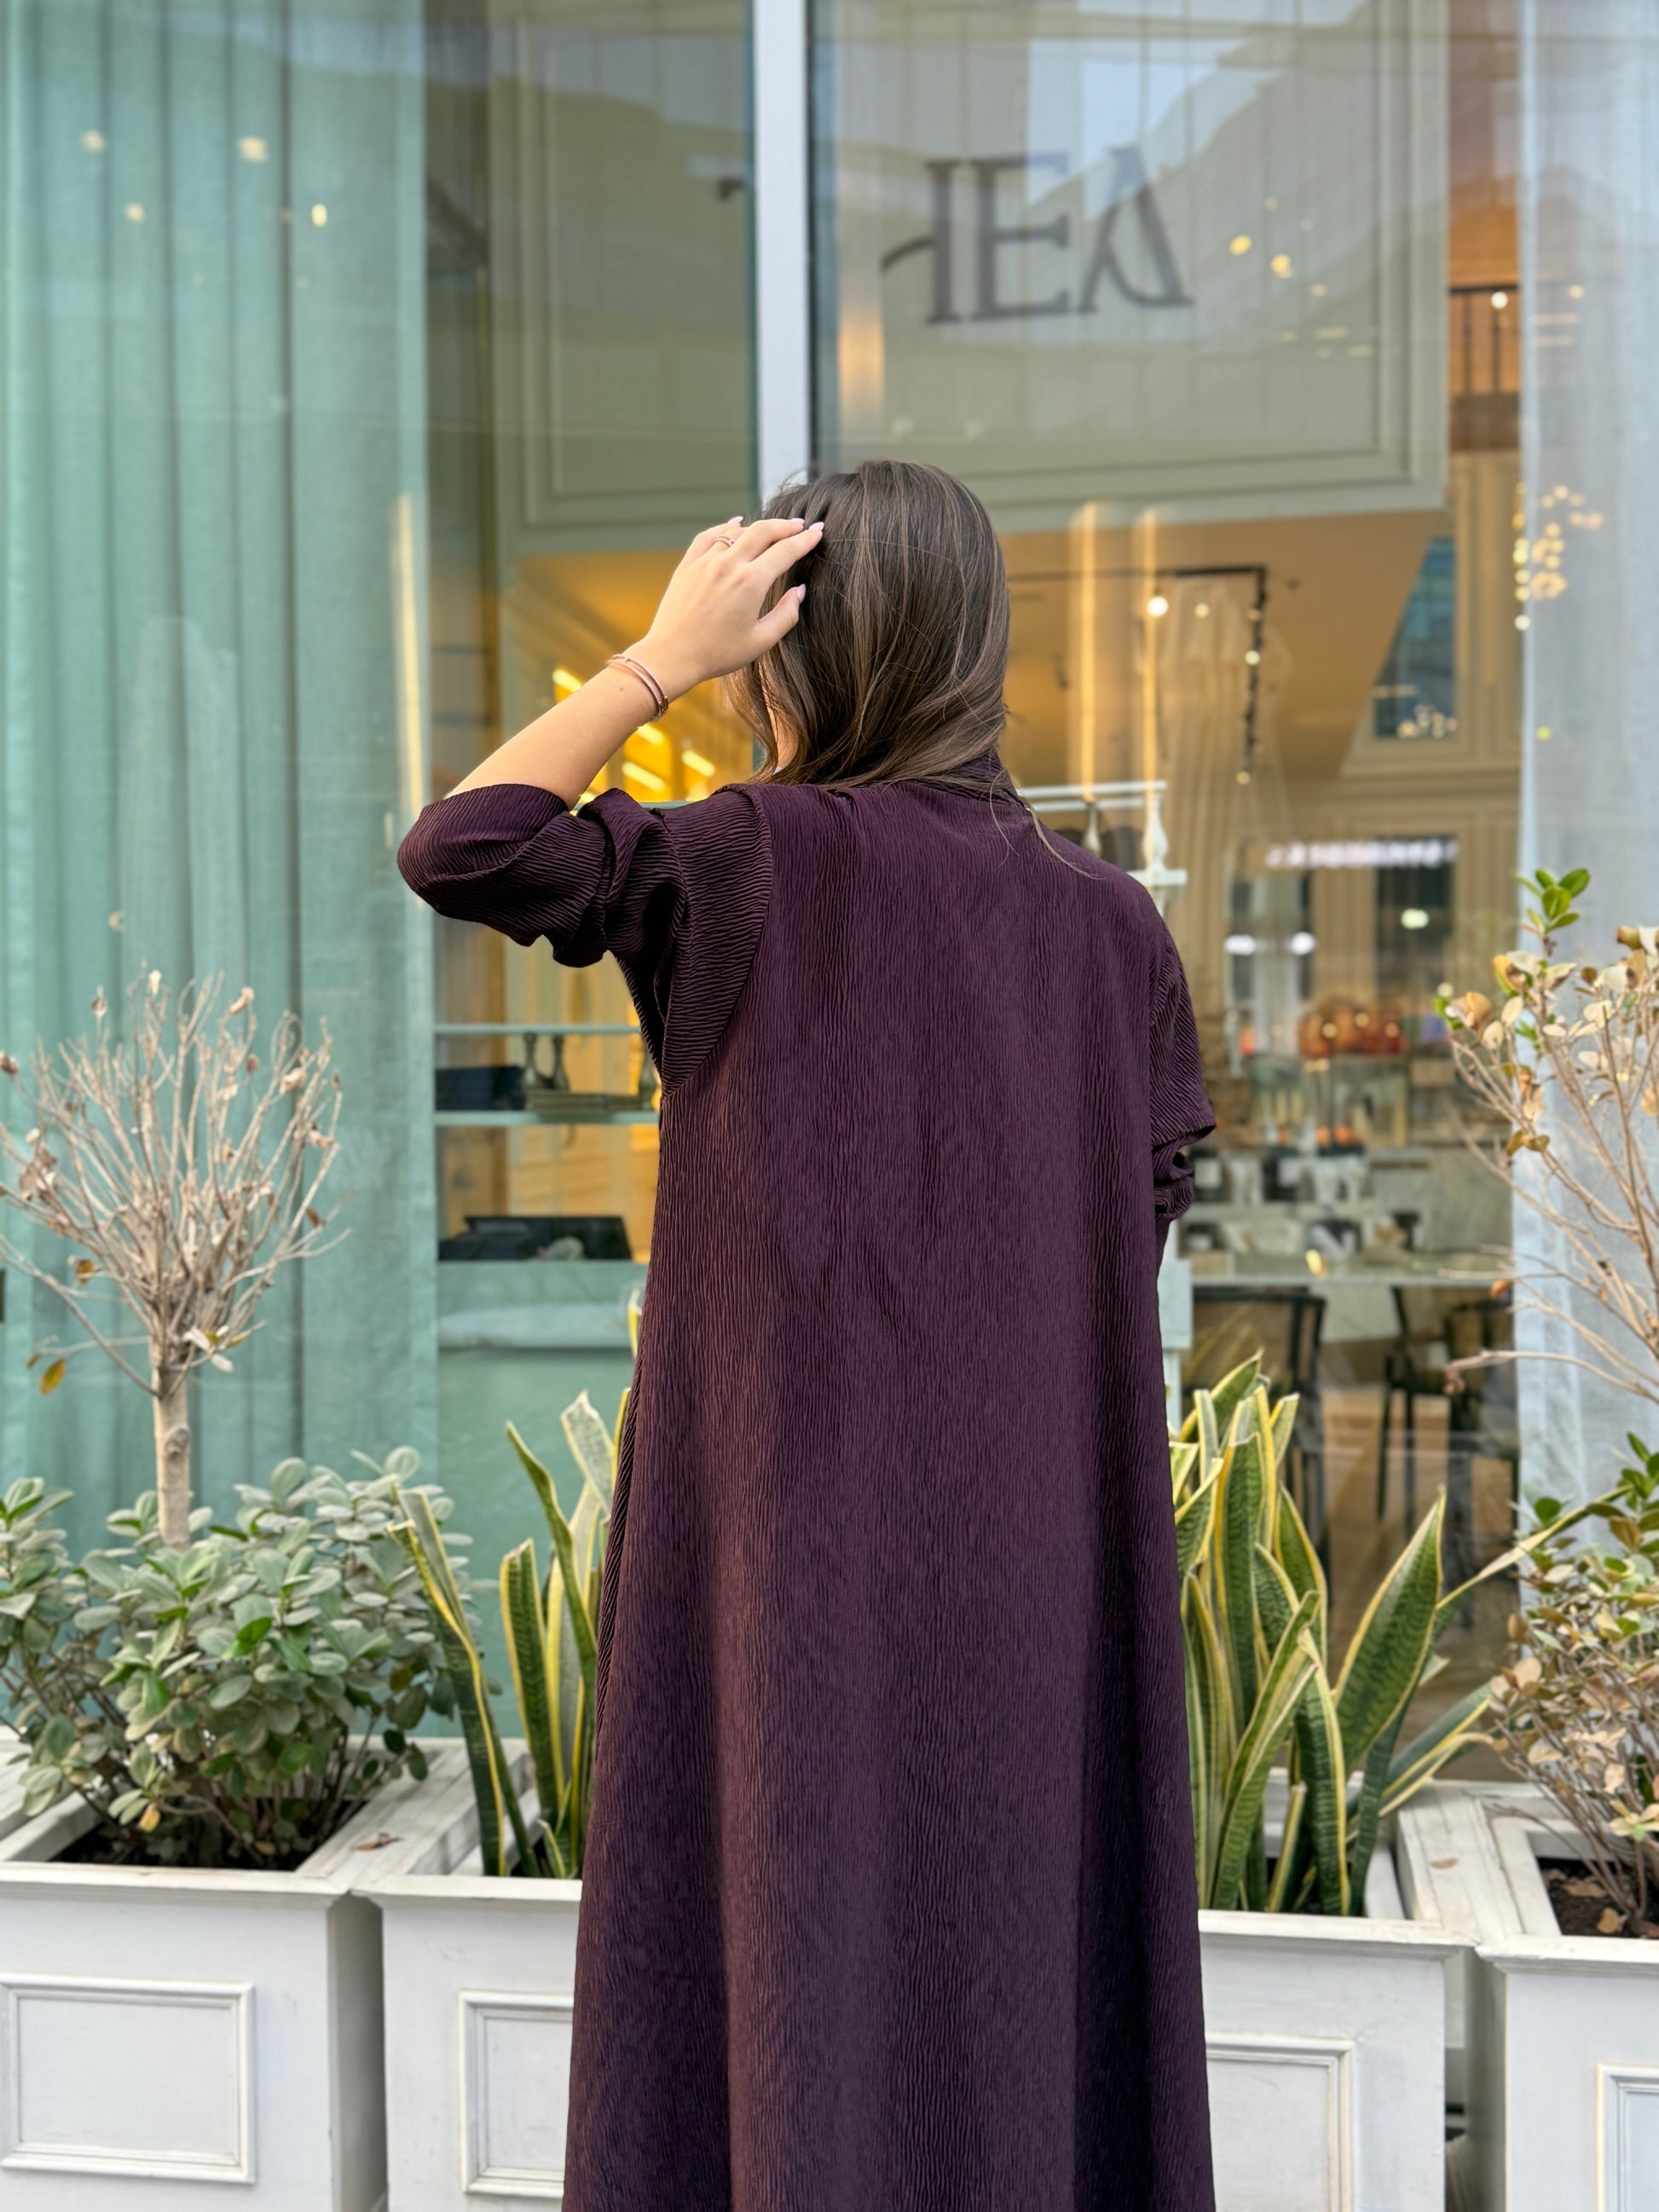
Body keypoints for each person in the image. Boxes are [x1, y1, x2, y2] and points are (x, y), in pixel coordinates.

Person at [398, 459, 1217, 2212]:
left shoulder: (743, 861)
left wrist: (652, 663)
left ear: (792, 650)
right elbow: (1130, 1222)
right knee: (1011, 1957)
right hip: (1028, 1561)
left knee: (783, 1949)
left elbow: (463, 845)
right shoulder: (1110, 926)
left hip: (782, 1545)